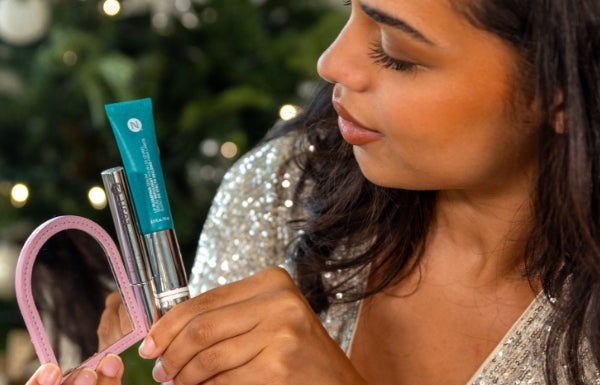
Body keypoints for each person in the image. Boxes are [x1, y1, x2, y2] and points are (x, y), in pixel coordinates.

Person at [26, 0, 600, 384]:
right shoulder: (284, 185)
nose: (332, 63)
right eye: (351, 8)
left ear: (561, 93)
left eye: (396, 53)